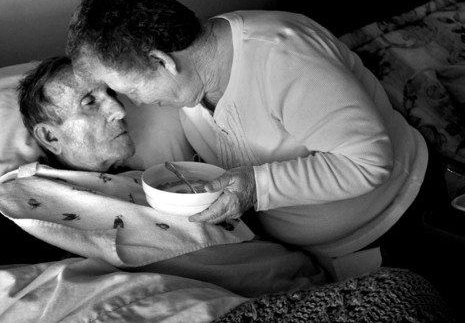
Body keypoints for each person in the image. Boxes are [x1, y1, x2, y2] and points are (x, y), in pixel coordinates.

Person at [66, 0, 445, 275]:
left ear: (163, 61)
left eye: (131, 89)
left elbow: (368, 162)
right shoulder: (193, 81)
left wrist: (254, 187)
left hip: (402, 223)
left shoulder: (283, 58)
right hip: (320, 251)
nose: (136, 102)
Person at [4, 55, 327, 297]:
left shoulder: (150, 180)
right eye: (89, 102)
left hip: (307, 277)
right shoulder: (21, 201)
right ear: (49, 137)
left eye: (112, 96)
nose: (119, 111)